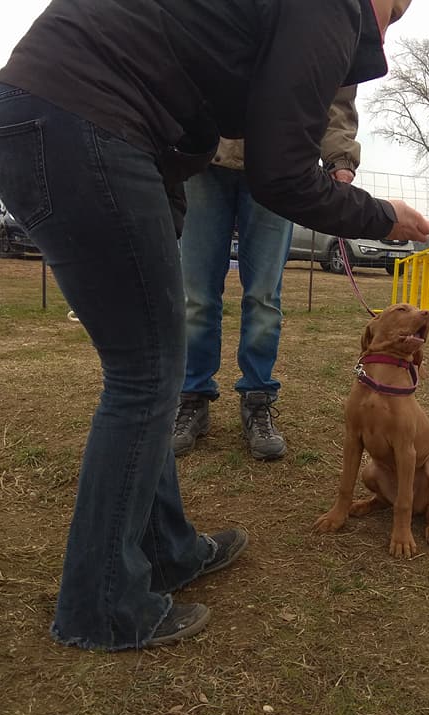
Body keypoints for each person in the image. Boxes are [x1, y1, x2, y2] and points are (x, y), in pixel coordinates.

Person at [0, 0, 429, 651]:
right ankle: (102, 608)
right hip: (84, 123)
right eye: (396, 13)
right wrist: (381, 215)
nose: (380, 36)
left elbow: (204, 83)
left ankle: (166, 548)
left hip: (61, 118)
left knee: (152, 371)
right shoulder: (333, 4)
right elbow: (280, 174)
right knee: (144, 377)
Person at [174, 86, 361, 461]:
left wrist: (339, 155)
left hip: (279, 162)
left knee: (263, 296)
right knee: (196, 297)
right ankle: (192, 398)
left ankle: (257, 398)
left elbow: (335, 91)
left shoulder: (327, 40)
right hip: (203, 154)